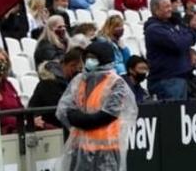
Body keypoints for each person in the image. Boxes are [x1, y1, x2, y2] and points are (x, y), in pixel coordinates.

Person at [56, 41, 138, 171]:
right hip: (80, 148)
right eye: (87, 58)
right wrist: (81, 119)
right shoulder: (80, 80)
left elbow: (107, 115)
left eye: (93, 58)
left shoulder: (116, 83)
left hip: (106, 150)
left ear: (103, 59)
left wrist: (81, 120)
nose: (89, 61)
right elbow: (65, 109)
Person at [144, 0, 196, 100]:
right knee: (173, 114)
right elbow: (178, 44)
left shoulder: (172, 25)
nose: (170, 9)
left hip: (179, 79)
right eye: (166, 7)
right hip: (167, 80)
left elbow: (185, 40)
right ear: (156, 9)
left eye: (170, 6)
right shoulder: (154, 29)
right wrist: (194, 32)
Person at [29, 48, 85, 129]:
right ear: (71, 64)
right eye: (78, 68)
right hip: (45, 128)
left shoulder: (67, 83)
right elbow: (58, 111)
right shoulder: (48, 83)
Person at [0, 48, 23, 135]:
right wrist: (22, 122)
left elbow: (20, 107)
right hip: (4, 131)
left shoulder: (9, 85)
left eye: (2, 60)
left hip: (19, 126)